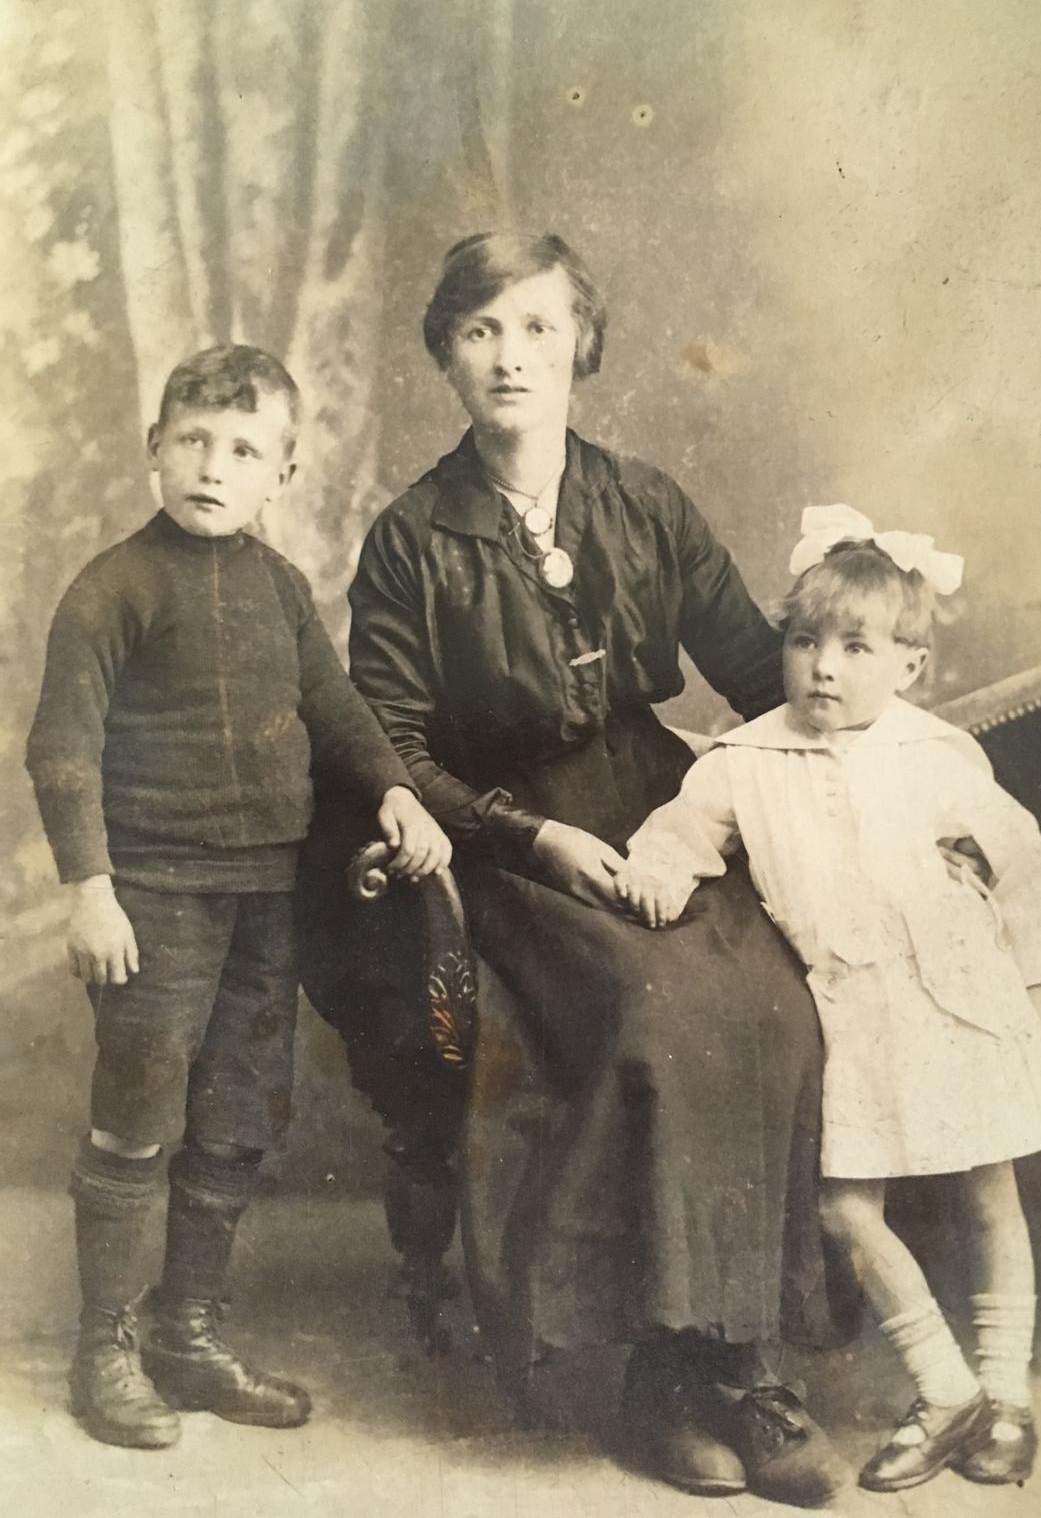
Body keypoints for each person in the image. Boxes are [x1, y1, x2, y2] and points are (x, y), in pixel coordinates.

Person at [345, 232, 849, 1506]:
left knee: (775, 1004)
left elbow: (753, 672)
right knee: (659, 1008)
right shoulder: (412, 539)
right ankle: (657, 1379)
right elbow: (391, 749)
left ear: (582, 343)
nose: (511, 356)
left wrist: (888, 771)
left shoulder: (644, 503)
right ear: (446, 356)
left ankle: (739, 1362)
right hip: (505, 836)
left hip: (660, 802)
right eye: (480, 331)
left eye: (535, 327)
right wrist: (531, 836)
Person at [618, 503, 1041, 1493]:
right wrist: (659, 870)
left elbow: (1024, 870)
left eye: (855, 646)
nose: (824, 666)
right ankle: (946, 1389)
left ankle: (1007, 1398)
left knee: (990, 1194)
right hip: (851, 1013)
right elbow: (679, 833)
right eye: (806, 640)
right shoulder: (747, 760)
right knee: (845, 1208)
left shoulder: (936, 754)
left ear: (907, 664)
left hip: (954, 995)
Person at [25, 344, 451, 1451]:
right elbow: (60, 747)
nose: (215, 466)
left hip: (267, 896)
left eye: (245, 448)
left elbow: (340, 709)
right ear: (154, 450)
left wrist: (398, 793)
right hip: (152, 900)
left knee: (241, 1115)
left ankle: (187, 1333)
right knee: (135, 1117)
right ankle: (105, 1348)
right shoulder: (114, 586)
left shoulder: (279, 587)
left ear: (285, 473)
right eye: (194, 441)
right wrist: (89, 889)